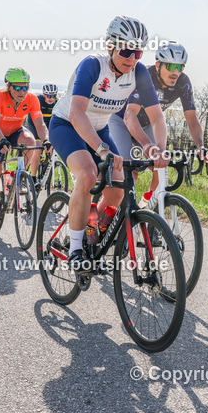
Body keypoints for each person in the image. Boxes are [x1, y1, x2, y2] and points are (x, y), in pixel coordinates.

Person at [48, 17, 167, 269]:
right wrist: (102, 150)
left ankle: (95, 231)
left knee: (118, 189)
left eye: (137, 52)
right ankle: (76, 249)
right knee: (89, 175)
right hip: (67, 126)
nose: (132, 58)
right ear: (111, 46)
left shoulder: (139, 72)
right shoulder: (92, 65)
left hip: (99, 130)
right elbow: (76, 113)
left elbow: (156, 116)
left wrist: (154, 148)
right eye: (126, 50)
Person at [108, 42, 208, 194]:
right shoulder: (145, 76)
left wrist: (201, 146)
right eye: (170, 66)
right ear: (158, 65)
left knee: (160, 166)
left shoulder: (183, 82)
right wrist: (147, 145)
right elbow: (130, 116)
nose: (175, 72)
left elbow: (192, 119)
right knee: (129, 172)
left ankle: (149, 205)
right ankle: (114, 213)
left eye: (180, 67)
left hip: (147, 123)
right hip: (121, 121)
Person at [0, 68, 49, 227]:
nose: (22, 91)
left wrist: (46, 140)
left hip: (15, 131)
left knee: (31, 142)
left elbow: (39, 123)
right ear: (9, 86)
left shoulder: (32, 100)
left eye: (25, 87)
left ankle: (20, 176)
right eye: (17, 87)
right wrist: (2, 140)